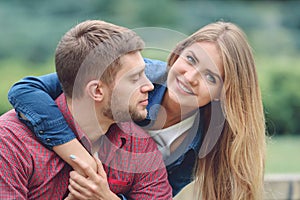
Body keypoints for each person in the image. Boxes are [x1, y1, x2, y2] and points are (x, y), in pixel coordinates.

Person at [8, 21, 266, 200]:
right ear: (176, 55)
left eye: (211, 77)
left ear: (224, 92)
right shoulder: (139, 72)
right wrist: (79, 155)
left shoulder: (199, 143)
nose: (191, 77)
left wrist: (105, 196)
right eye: (190, 59)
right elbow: (28, 89)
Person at [1, 19, 173, 199]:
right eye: (135, 78)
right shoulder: (10, 143)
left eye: (144, 73)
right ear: (97, 91)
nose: (149, 86)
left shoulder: (139, 146)